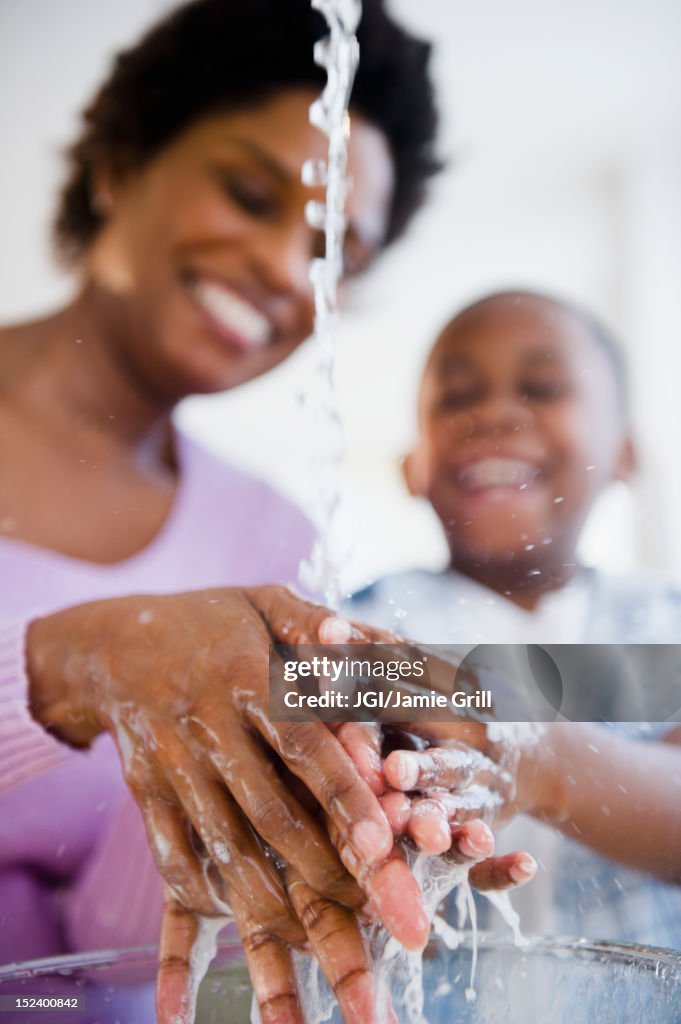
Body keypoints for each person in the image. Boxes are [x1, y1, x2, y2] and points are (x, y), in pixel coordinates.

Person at [0, 6, 530, 1023]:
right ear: (122, 158)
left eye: (334, 252)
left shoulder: (271, 540)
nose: (289, 270)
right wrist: (71, 665)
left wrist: (316, 806)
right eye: (250, 193)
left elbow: (103, 958)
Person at [349, 290, 681, 946]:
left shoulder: (663, 624)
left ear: (624, 452)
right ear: (410, 467)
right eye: (455, 397)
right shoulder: (363, 623)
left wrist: (533, 759)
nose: (495, 413)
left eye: (542, 386)